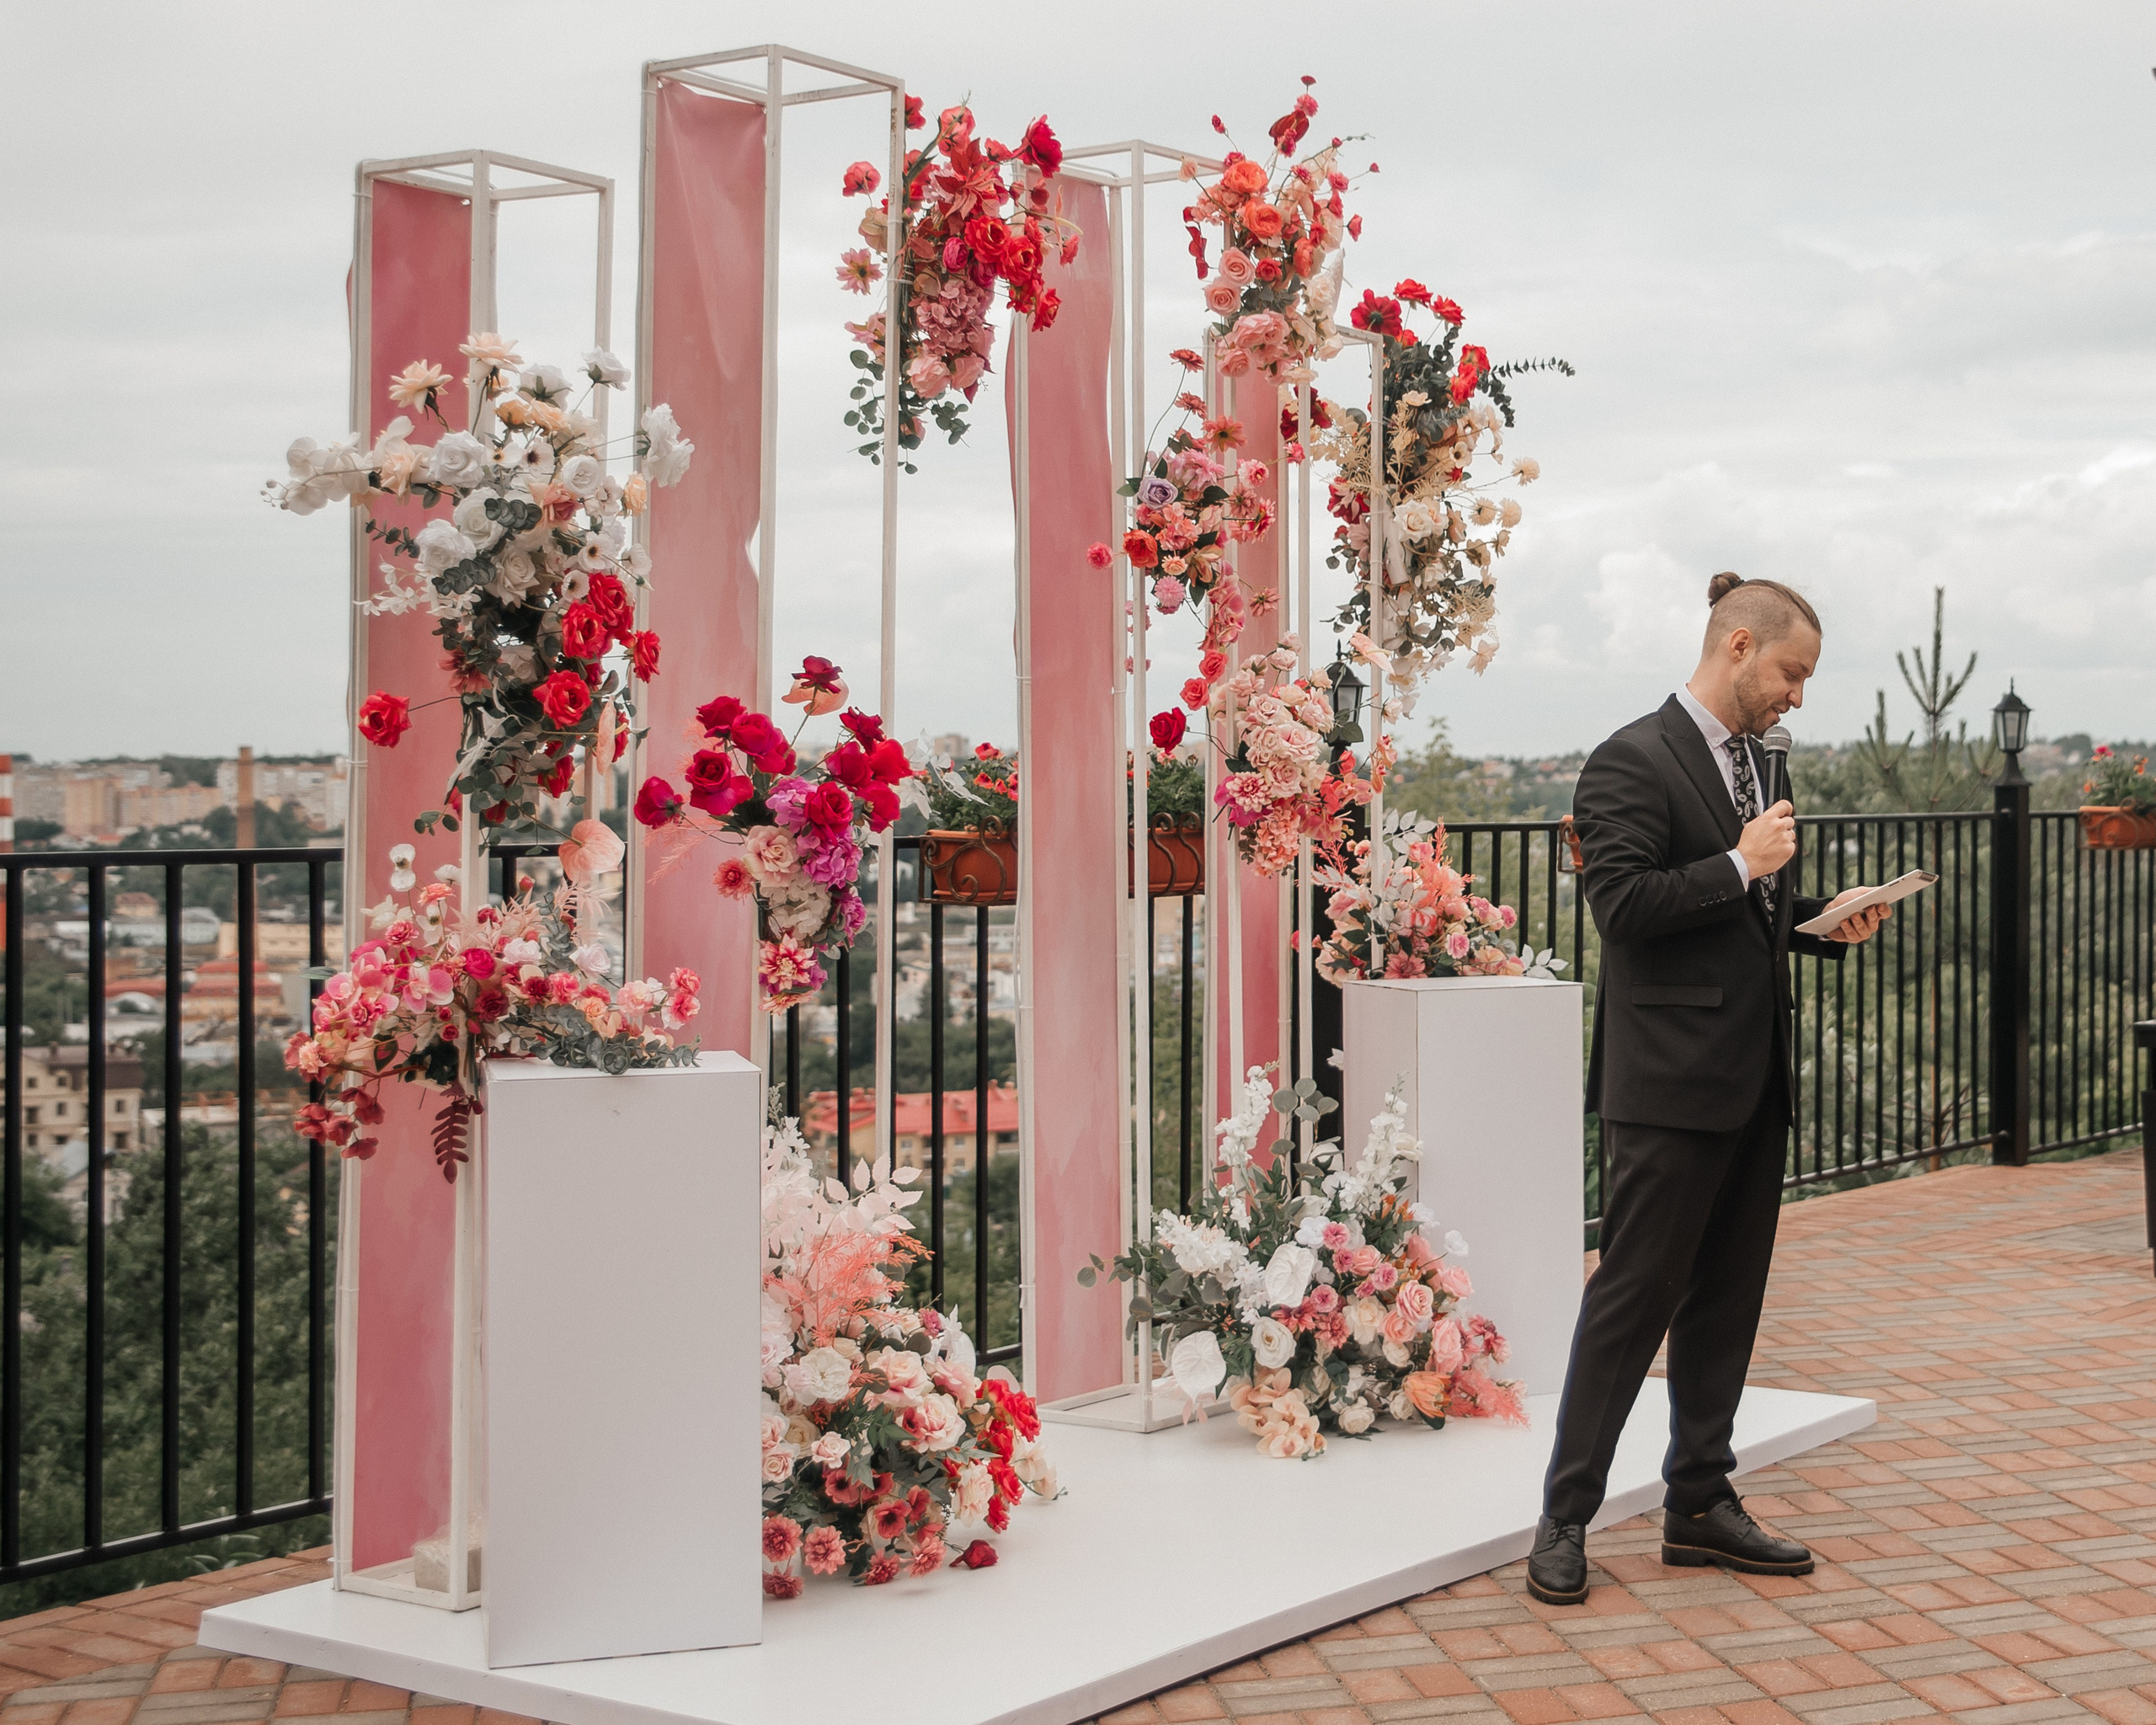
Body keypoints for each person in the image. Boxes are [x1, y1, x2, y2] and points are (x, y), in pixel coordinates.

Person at [1526, 572, 1891, 1607]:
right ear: (1737, 646)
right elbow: (1622, 907)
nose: (1796, 696)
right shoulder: (1628, 759)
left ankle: (1697, 1501)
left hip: (1753, 1076)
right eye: (1790, 672)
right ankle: (1563, 1515)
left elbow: (1746, 915)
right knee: (1630, 1300)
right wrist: (1739, 862)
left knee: (1727, 1300)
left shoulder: (1762, 764)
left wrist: (1820, 922)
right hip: (1665, 1083)